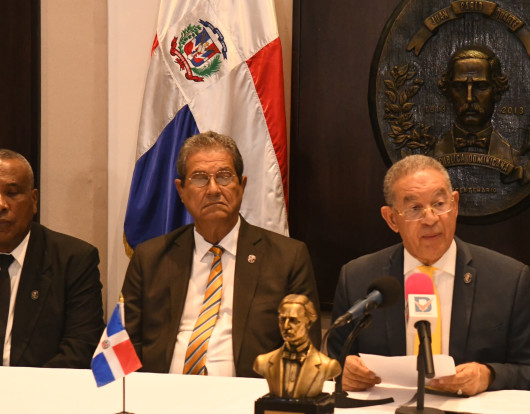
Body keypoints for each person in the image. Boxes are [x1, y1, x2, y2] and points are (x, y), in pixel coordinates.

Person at [328, 155, 530, 396]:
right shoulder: (357, 278)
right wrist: (342, 371)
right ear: (391, 219)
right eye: (414, 209)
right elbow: (336, 361)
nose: (430, 219)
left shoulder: (509, 279)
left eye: (440, 204)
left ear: (455, 205)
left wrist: (489, 375)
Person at [122, 131, 319, 378]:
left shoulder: (287, 257)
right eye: (200, 179)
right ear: (181, 190)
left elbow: (304, 347)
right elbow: (125, 343)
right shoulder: (151, 258)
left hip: (249, 397)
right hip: (164, 394)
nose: (214, 189)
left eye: (224, 177)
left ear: (242, 185)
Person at [0, 149, 104, 368]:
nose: (2, 205)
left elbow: (81, 347)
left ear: (34, 200)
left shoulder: (73, 260)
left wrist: (26, 393)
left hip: (42, 396)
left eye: (12, 193)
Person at [253, 294, 341, 398]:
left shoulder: (328, 366)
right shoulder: (263, 362)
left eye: (293, 320)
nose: (286, 326)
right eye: (282, 320)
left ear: (308, 323)